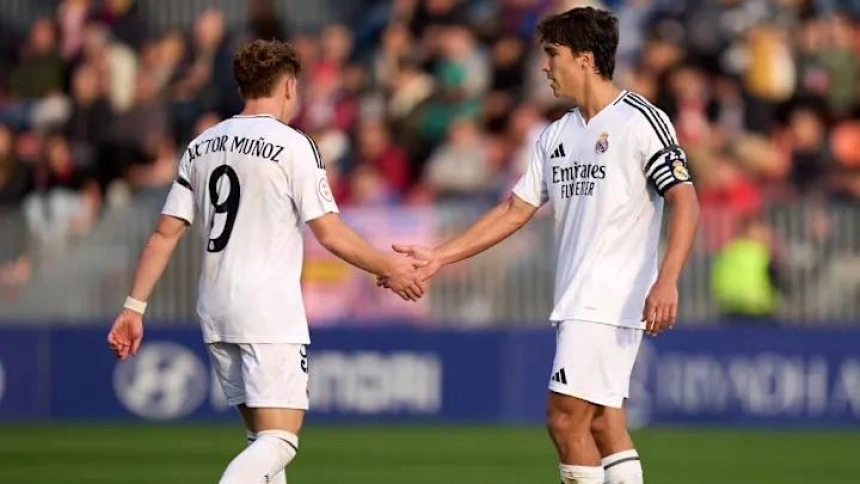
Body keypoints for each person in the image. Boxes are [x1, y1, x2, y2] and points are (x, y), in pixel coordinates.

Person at [382, 7, 699, 484]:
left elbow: (685, 199)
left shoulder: (639, 120)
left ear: (585, 59)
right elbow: (515, 209)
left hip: (609, 296)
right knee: (603, 424)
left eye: (553, 54)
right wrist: (440, 255)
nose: (545, 66)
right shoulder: (556, 135)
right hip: (579, 295)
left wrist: (667, 280)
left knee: (564, 420)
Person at [107, 39, 425, 484]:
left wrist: (133, 307)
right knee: (280, 441)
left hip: (216, 307)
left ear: (242, 87)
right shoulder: (293, 145)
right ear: (290, 86)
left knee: (262, 441)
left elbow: (165, 234)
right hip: (267, 309)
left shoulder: (201, 145)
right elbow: (330, 233)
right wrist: (387, 267)